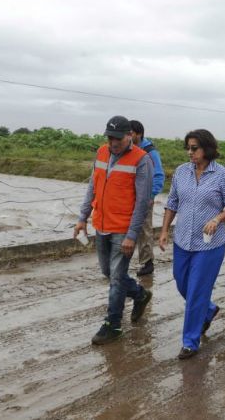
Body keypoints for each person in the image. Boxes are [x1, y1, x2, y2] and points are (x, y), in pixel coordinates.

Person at [159, 129, 225, 359]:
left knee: (196, 291)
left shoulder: (221, 174)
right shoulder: (181, 172)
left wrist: (217, 219)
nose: (190, 152)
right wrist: (165, 230)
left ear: (207, 148)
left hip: (209, 245)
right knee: (182, 283)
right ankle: (209, 310)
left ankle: (190, 341)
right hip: (183, 240)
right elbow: (172, 202)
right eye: (188, 148)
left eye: (194, 148)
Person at [75, 116, 154, 346]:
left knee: (117, 278)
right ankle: (140, 294)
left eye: (118, 138)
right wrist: (82, 218)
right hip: (101, 224)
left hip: (123, 229)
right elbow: (93, 186)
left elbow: (142, 202)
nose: (114, 142)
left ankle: (113, 324)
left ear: (130, 135)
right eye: (110, 137)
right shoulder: (102, 153)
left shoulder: (142, 160)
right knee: (108, 272)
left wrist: (132, 235)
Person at [130, 120, 165, 276]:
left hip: (144, 197)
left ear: (139, 134)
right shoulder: (128, 149)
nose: (128, 136)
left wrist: (151, 195)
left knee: (144, 229)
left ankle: (147, 262)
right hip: (129, 196)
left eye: (130, 133)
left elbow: (159, 175)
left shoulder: (150, 152)